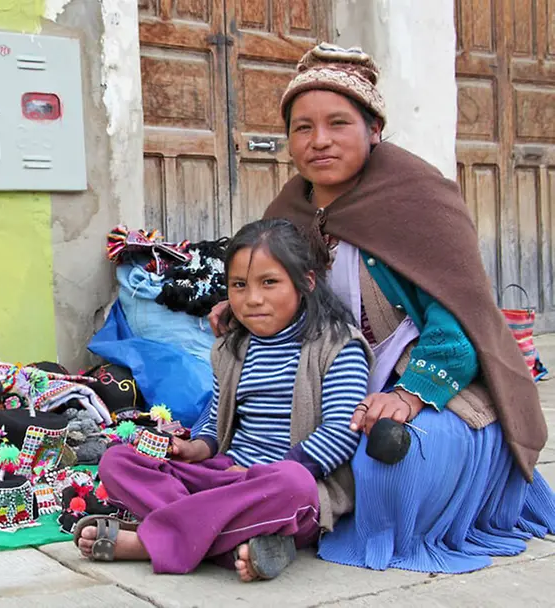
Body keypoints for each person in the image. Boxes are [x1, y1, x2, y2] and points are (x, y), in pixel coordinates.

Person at [208, 43, 555, 573]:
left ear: (373, 130)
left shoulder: (421, 199)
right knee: (231, 423)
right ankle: (274, 518)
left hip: (432, 379)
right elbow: (285, 289)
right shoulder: (291, 206)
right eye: (302, 128)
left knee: (389, 455)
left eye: (338, 123)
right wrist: (239, 307)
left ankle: (302, 519)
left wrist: (410, 395)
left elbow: (459, 320)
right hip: (332, 375)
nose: (318, 141)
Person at [74, 218, 372, 582]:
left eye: (270, 283)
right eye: (239, 286)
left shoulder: (339, 346)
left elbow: (341, 432)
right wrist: (196, 447)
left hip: (282, 490)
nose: (253, 299)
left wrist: (254, 476)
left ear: (306, 283)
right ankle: (240, 544)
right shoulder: (232, 347)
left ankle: (153, 542)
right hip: (224, 478)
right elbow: (217, 416)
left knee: (294, 484)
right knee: (119, 460)